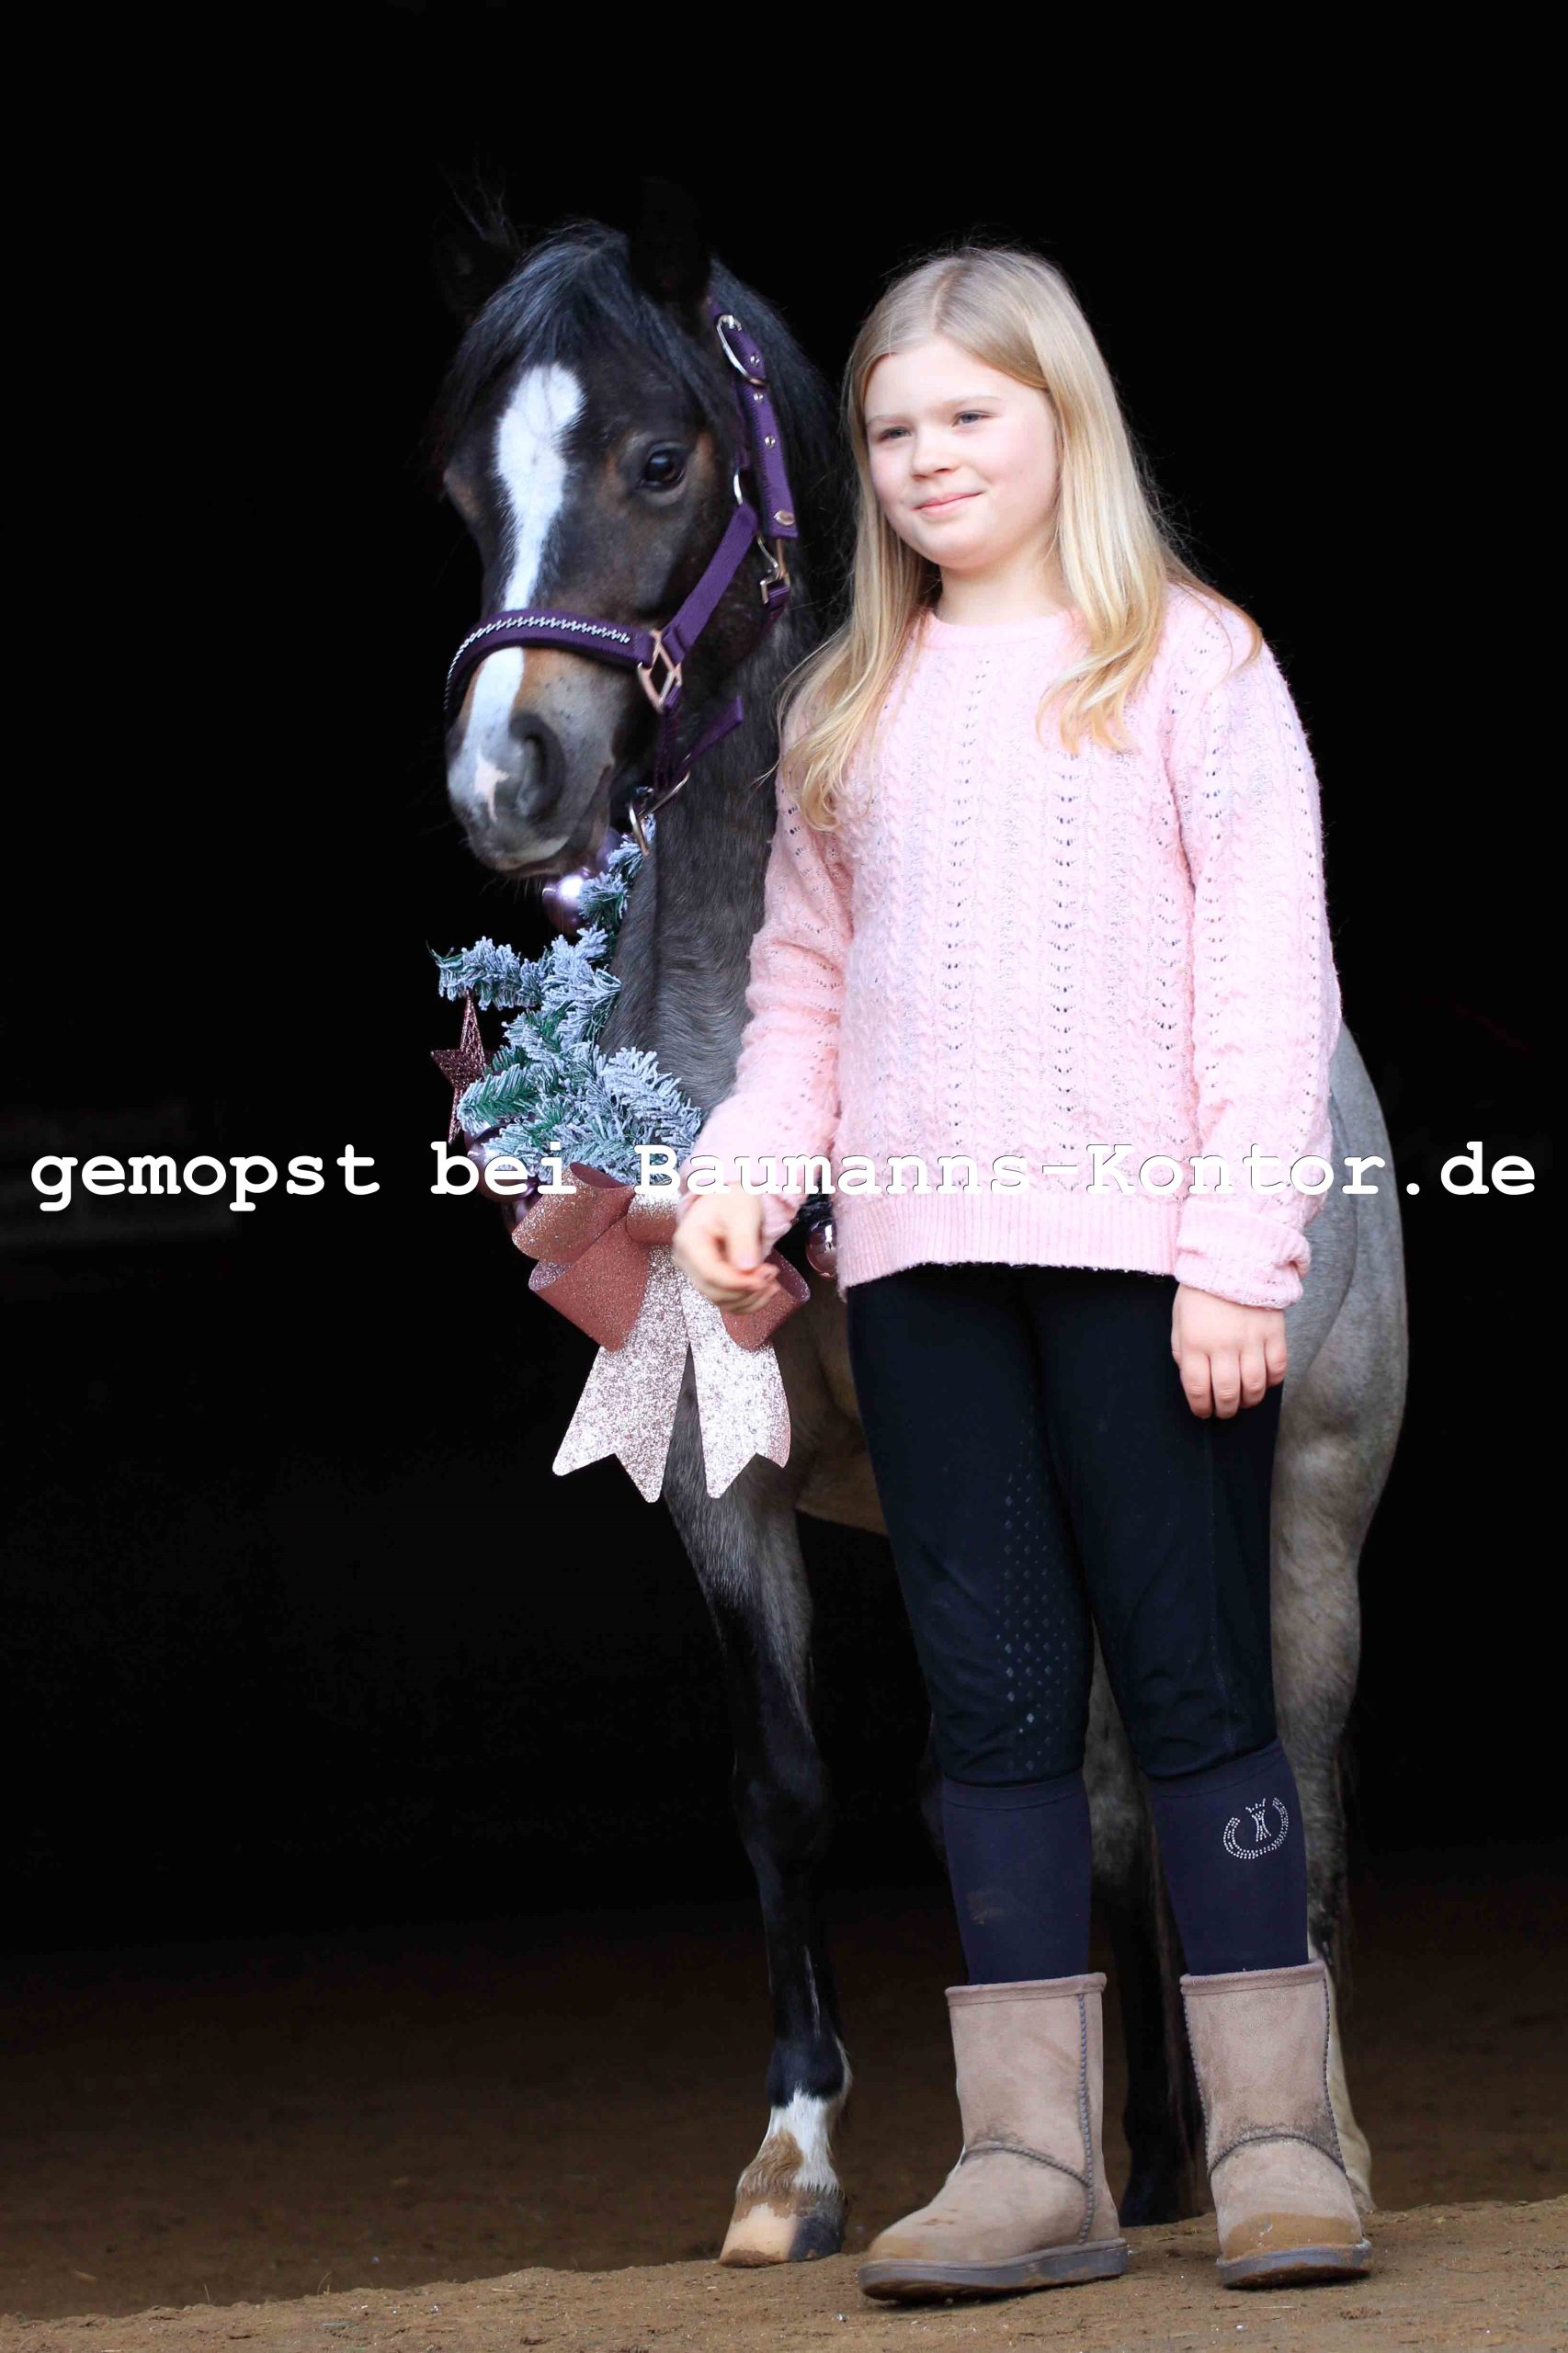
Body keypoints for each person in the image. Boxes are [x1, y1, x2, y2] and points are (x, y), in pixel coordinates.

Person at [670, 244, 1369, 2306]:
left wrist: (1239, 1260)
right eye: (888, 428)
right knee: (988, 1710)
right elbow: (802, 987)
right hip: (919, 1279)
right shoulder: (846, 699)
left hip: (1150, 1271)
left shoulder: (1195, 665)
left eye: (968, 414)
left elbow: (1267, 987)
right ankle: (1026, 2160)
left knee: (1197, 1690)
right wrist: (746, 1167)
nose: (923, 457)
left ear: (1066, 420)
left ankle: (1273, 2137)